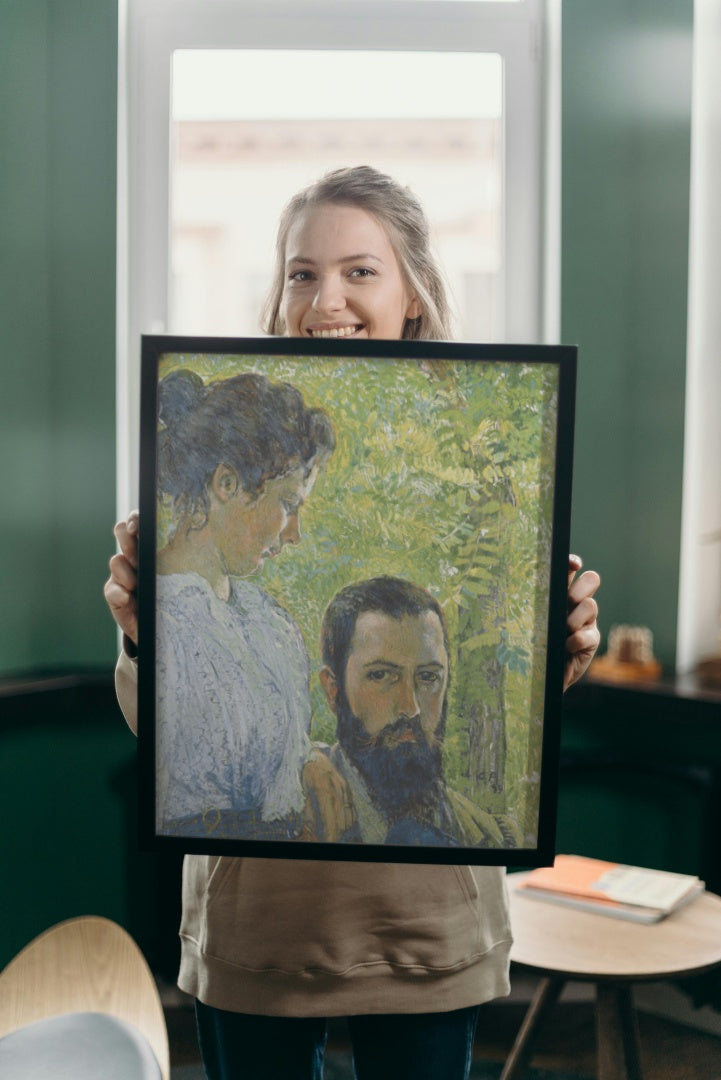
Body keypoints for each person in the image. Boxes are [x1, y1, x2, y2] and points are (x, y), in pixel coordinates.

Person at [105, 165, 601, 1080]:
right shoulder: (213, 566)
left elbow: (517, 713)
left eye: (359, 271)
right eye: (301, 272)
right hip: (262, 932)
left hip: (425, 930)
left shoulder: (506, 446)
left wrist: (556, 653)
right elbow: (171, 741)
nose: (324, 297)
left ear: (413, 291)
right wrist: (141, 639)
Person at [150, 367, 340, 840]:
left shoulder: (267, 622)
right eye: (289, 503)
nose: (294, 533)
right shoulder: (156, 618)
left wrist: (311, 760)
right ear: (227, 484)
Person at [311, 575, 522, 849]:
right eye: (381, 675)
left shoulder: (490, 836)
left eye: (428, 677)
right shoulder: (296, 810)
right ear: (333, 690)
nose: (411, 708)